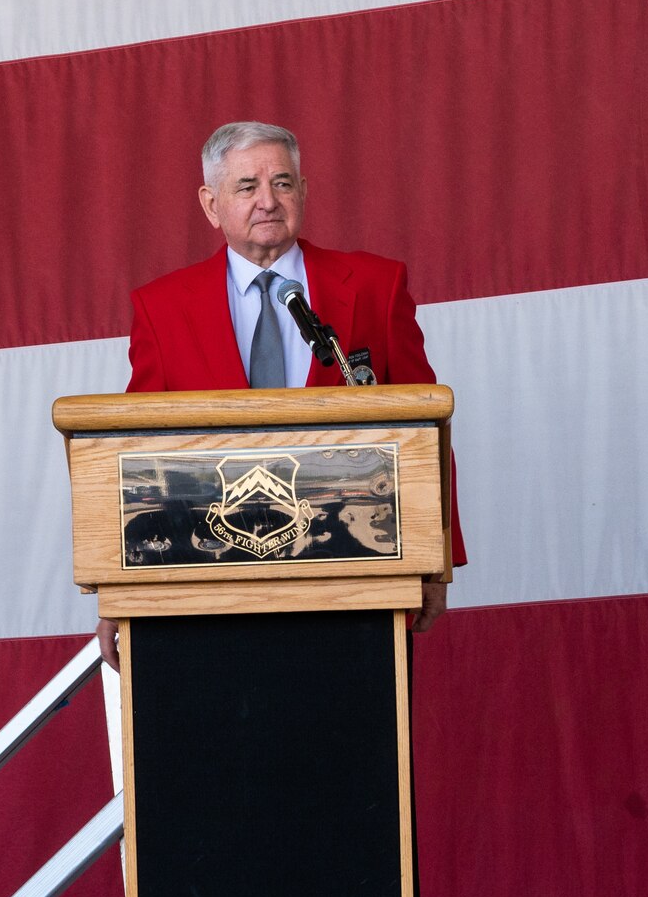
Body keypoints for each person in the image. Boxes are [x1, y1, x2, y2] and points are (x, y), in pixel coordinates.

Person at [96, 120, 465, 669]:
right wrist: (116, 583)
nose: (268, 201)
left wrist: (437, 562)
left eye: (283, 183)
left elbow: (426, 429)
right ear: (210, 202)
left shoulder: (373, 286)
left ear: (304, 192)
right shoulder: (163, 307)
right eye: (247, 186)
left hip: (352, 576)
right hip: (211, 584)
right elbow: (139, 458)